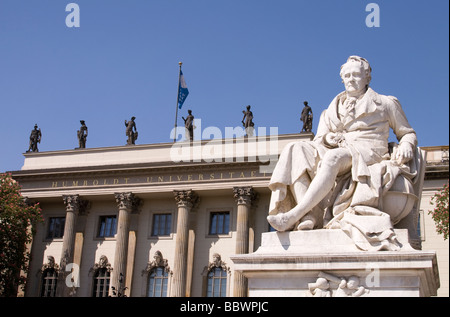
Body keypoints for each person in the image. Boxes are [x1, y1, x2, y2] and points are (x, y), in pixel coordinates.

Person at [267, 56, 417, 247]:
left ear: (367, 77)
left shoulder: (386, 103)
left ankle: (294, 214)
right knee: (295, 149)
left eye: (356, 74)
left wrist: (406, 145)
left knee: (333, 157)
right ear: (342, 78)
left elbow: (407, 133)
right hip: (338, 148)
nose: (351, 79)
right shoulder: (332, 108)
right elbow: (320, 138)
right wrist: (328, 138)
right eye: (347, 75)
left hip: (368, 152)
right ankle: (310, 215)